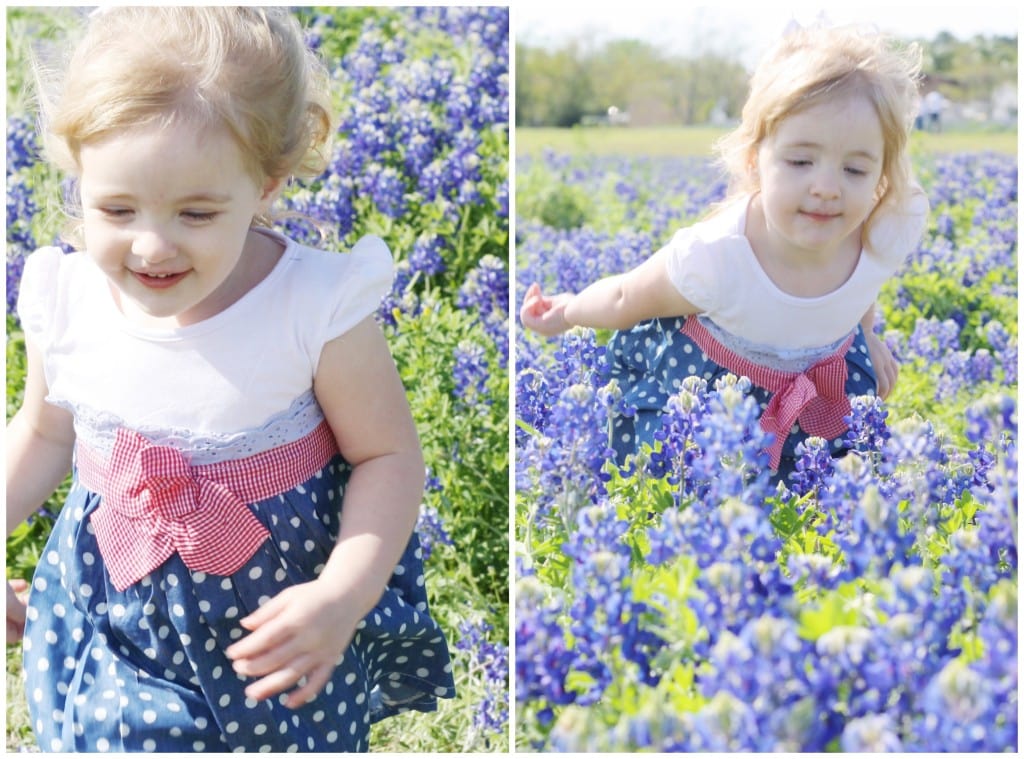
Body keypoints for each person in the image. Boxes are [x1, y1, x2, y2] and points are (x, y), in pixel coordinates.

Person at [5, 7, 454, 752]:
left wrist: (343, 594)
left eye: (197, 212)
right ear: (77, 173)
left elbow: (388, 456)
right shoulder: (64, 294)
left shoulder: (313, 303)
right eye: (116, 208)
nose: (151, 245)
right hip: (108, 610)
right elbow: (43, 429)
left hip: (275, 624)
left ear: (267, 182)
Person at [521, 23, 929, 480]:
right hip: (713, 398)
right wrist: (567, 311)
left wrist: (864, 336)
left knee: (823, 500)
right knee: (698, 489)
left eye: (855, 168)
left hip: (817, 390)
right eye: (800, 161)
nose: (827, 188)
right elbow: (624, 298)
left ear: (881, 178)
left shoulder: (883, 227)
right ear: (756, 161)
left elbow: (862, 283)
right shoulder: (717, 258)